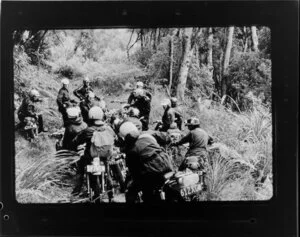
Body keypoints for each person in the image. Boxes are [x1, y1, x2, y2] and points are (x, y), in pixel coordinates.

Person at [118, 121, 174, 203]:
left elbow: (134, 172)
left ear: (125, 136)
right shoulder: (147, 134)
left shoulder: (131, 150)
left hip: (153, 172)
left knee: (134, 190)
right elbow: (166, 138)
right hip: (167, 164)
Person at [71, 107, 116, 200]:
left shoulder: (88, 130)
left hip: (91, 156)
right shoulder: (108, 128)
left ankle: (76, 191)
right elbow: (116, 139)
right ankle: (111, 194)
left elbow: (76, 141)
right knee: (107, 171)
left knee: (80, 168)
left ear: (90, 116)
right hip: (105, 156)